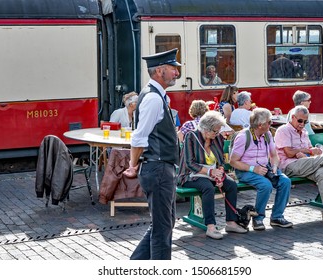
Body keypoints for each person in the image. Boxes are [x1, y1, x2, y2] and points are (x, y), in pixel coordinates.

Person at [123, 48, 181, 259]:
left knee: (165, 223)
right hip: (157, 168)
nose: (176, 73)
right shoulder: (154, 98)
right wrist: (133, 164)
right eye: (173, 69)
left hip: (160, 167)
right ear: (159, 71)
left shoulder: (155, 95)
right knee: (162, 228)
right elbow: (139, 138)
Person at [274, 105, 323, 226]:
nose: (302, 124)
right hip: (288, 166)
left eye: (305, 122)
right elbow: (288, 152)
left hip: (304, 164)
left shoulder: (304, 132)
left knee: (322, 172)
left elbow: (308, 151)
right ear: (293, 118)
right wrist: (307, 151)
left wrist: (312, 151)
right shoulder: (283, 130)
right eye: (300, 120)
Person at [178, 110, 247, 239]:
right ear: (206, 129)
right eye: (215, 131)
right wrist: (210, 172)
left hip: (211, 174)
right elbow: (189, 163)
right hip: (191, 175)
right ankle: (210, 226)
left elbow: (220, 160)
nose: (218, 133)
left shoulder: (217, 138)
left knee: (231, 185)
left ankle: (231, 222)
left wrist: (220, 173)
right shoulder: (191, 137)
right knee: (208, 188)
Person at [230, 108, 293, 230]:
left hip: (265, 168)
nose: (271, 124)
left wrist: (275, 166)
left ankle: (277, 217)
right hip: (246, 171)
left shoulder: (267, 134)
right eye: (269, 122)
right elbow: (233, 161)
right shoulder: (243, 137)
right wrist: (254, 169)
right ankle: (258, 218)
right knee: (265, 185)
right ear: (260, 125)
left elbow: (274, 155)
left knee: (285, 181)